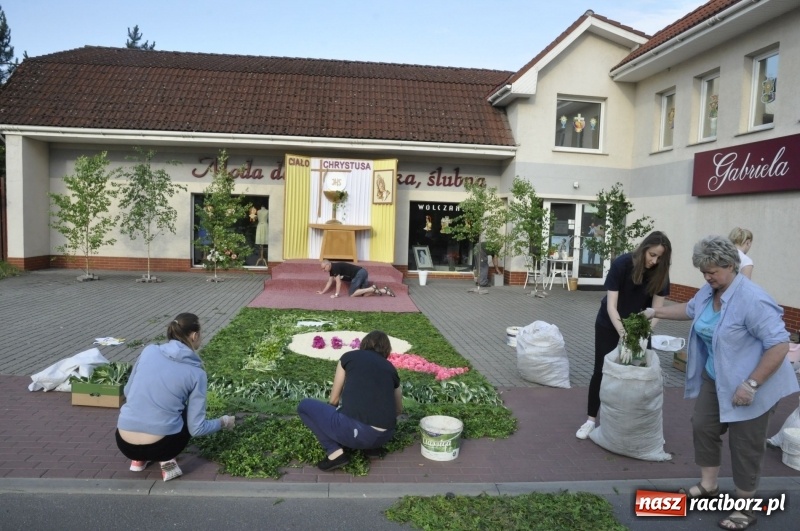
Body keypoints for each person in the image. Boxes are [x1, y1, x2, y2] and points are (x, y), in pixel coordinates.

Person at [643, 235, 797, 530]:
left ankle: (745, 507)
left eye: (712, 271)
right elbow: (690, 310)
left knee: (745, 445)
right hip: (717, 378)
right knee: (703, 426)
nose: (707, 277)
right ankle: (709, 485)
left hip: (754, 384)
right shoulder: (709, 290)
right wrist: (655, 311)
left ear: (730, 265)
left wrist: (751, 384)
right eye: (704, 272)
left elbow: (779, 345)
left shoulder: (752, 298)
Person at [576, 231, 672, 440]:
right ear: (645, 248)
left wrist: (640, 334)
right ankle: (590, 420)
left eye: (659, 258)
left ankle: (632, 423)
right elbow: (611, 305)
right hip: (609, 324)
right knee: (601, 371)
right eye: (652, 255)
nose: (654, 261)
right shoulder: (623, 264)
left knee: (638, 375)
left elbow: (657, 311)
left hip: (639, 328)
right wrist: (623, 333)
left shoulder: (661, 273)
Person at [116, 313, 235, 481]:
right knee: (185, 412)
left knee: (144, 405)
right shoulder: (196, 373)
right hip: (162, 447)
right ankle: (167, 461)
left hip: (124, 443)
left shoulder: (149, 351)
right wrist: (223, 422)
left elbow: (128, 392)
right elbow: (197, 428)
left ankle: (138, 461)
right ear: (194, 336)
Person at [297, 330, 403, 471]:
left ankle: (334, 453)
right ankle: (371, 449)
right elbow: (398, 410)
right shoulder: (391, 369)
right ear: (386, 349)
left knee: (304, 406)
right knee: (362, 422)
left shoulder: (348, 357)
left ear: (364, 343)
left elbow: (334, 399)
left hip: (357, 433)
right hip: (385, 435)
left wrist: (331, 421)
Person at [318, 260, 394, 297]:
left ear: (328, 265)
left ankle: (372, 288)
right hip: (363, 271)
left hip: (359, 274)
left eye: (324, 268)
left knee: (351, 294)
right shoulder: (332, 269)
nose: (323, 270)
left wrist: (336, 294)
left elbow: (338, 282)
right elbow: (329, 282)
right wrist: (322, 292)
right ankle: (384, 290)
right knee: (364, 294)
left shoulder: (335, 268)